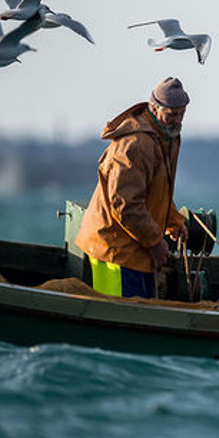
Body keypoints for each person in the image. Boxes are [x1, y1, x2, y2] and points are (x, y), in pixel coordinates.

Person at [75, 77, 190, 299]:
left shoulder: (167, 137)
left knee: (143, 314)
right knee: (120, 318)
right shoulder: (135, 145)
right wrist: (156, 242)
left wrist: (173, 221)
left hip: (137, 247)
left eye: (181, 114)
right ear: (154, 108)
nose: (177, 120)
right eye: (172, 114)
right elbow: (125, 205)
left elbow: (156, 191)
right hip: (115, 251)